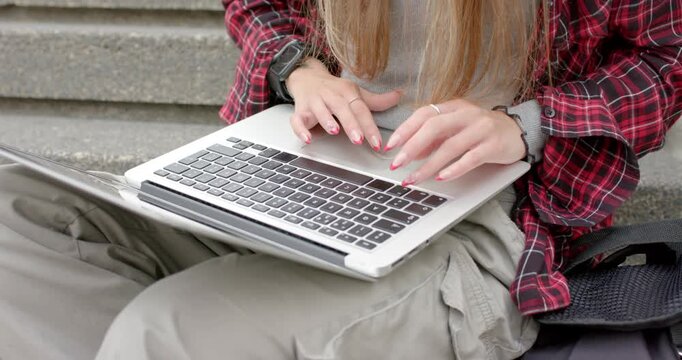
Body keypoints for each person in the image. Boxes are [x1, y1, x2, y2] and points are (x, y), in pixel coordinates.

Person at [0, 0, 680, 359]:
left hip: (475, 225)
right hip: (303, 171)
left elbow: (667, 58)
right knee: (14, 220)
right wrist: (300, 71)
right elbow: (257, 5)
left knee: (166, 331)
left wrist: (526, 124)